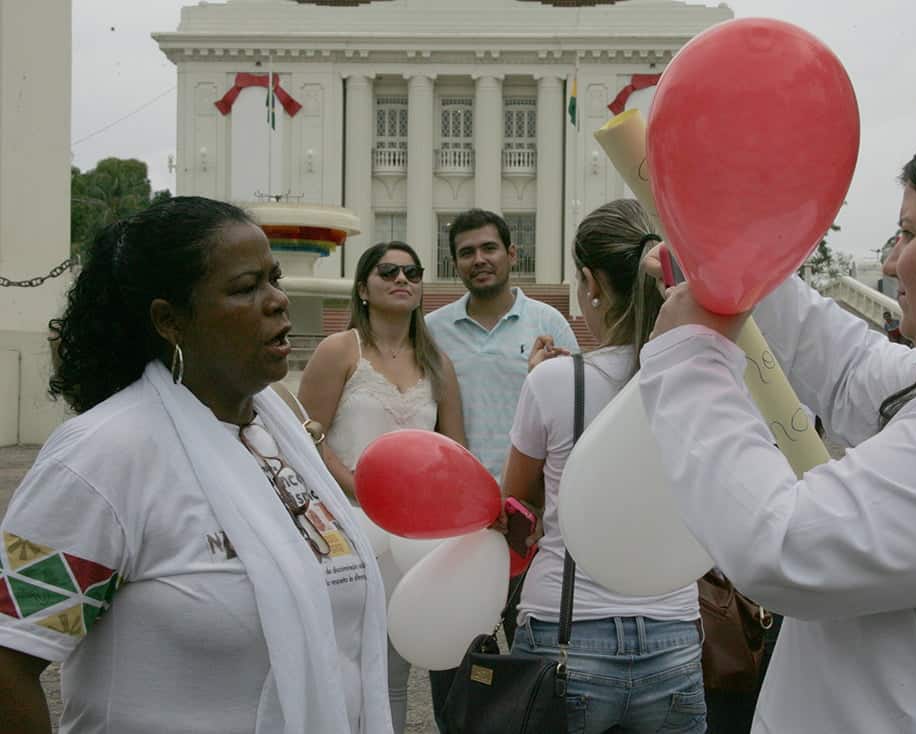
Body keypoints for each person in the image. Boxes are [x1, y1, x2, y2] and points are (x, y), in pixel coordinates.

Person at [639, 121, 916, 732]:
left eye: (909, 233)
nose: (889, 260)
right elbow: (851, 365)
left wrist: (689, 355)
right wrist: (728, 259)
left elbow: (779, 545)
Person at [0, 197, 392, 734]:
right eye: (245, 287)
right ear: (170, 320)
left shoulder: (280, 438)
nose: (278, 301)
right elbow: (9, 658)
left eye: (274, 279)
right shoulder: (102, 458)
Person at [502, 199, 705, 733]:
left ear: (590, 282)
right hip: (674, 630)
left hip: (567, 630)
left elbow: (516, 505)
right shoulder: (699, 381)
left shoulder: (553, 382)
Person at [297, 240, 464, 733]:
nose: (402, 279)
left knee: (393, 674)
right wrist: (358, 486)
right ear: (364, 287)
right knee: (343, 665)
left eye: (412, 272)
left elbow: (455, 452)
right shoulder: (339, 351)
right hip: (345, 527)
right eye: (388, 271)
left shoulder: (438, 362)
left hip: (412, 539)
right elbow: (306, 435)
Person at [424, 208, 579, 725]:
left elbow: (569, 412)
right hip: (459, 522)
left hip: (529, 519)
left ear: (512, 254)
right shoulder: (433, 331)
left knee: (532, 657)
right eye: (466, 252)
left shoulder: (547, 324)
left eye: (489, 248)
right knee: (458, 654)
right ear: (455, 264)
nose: (479, 260)